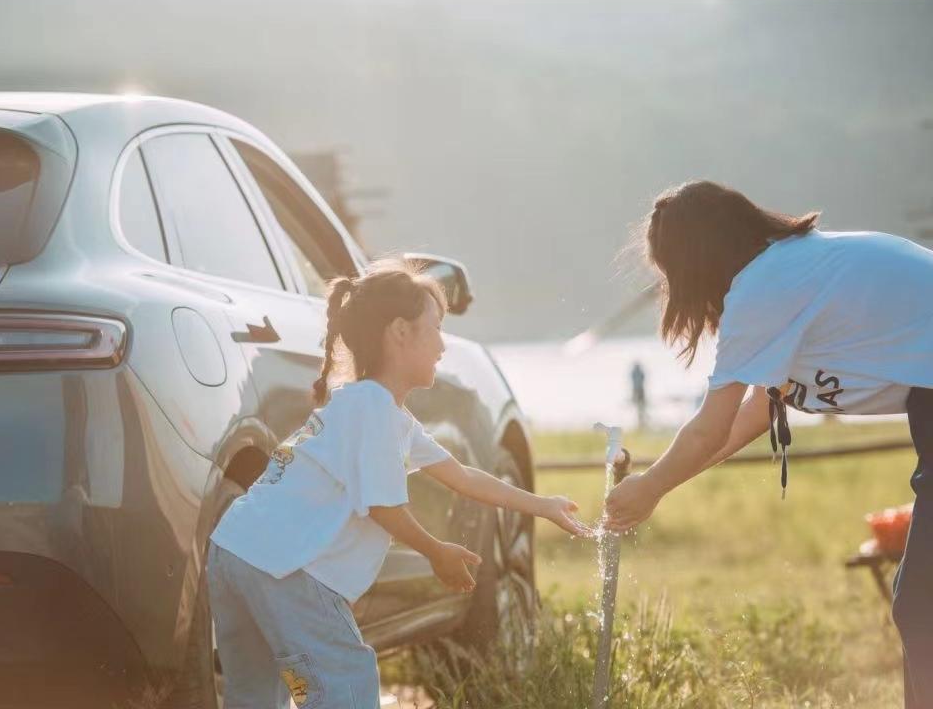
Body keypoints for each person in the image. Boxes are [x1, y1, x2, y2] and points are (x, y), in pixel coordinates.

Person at [604, 180, 933, 707]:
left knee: (922, 607)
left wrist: (651, 487)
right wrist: (657, 484)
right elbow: (757, 409)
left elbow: (711, 426)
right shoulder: (785, 272)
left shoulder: (765, 287)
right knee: (920, 606)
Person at [209, 258, 592, 707]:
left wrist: (542, 504)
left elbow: (463, 476)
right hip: (287, 569)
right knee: (346, 685)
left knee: (254, 697)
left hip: (235, 551)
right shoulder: (373, 410)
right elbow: (382, 507)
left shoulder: (371, 409)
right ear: (400, 332)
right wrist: (438, 553)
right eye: (435, 327)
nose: (443, 346)